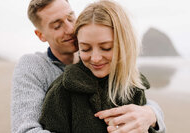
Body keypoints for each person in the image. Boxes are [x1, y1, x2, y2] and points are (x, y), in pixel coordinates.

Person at [11, 0, 165, 132]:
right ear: (41, 35)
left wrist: (152, 114)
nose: (70, 29)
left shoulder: (101, 60)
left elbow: (133, 90)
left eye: (71, 18)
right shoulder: (33, 67)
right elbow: (25, 129)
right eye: (57, 26)